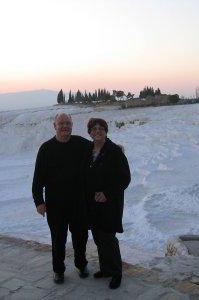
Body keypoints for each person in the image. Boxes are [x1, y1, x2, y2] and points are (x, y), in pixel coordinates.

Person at [32, 112, 90, 284]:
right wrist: (39, 202)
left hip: (79, 202)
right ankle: (58, 270)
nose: (65, 126)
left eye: (68, 123)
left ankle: (81, 265)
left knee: (80, 237)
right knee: (58, 239)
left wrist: (116, 148)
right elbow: (38, 180)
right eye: (61, 123)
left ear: (72, 125)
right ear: (54, 126)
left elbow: (99, 147)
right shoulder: (46, 149)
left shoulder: (80, 143)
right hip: (56, 204)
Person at [84, 118, 131, 289]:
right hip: (93, 203)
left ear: (106, 131)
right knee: (98, 237)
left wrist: (107, 194)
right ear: (89, 132)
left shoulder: (114, 151)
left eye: (100, 128)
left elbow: (125, 178)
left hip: (109, 204)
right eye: (93, 128)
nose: (97, 131)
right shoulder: (88, 150)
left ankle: (116, 273)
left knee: (108, 239)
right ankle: (105, 269)